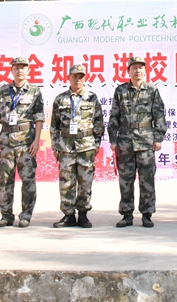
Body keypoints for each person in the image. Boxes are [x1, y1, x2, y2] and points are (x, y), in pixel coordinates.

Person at [107, 56, 166, 228]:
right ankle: (127, 214)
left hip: (146, 141)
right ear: (128, 71)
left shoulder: (152, 90)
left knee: (147, 180)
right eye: (134, 68)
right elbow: (114, 116)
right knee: (125, 180)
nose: (137, 70)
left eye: (140, 67)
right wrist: (113, 139)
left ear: (145, 71)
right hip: (125, 142)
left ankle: (147, 214)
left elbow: (159, 115)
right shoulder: (120, 91)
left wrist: (158, 138)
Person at [0, 56, 44, 228]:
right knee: (5, 180)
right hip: (5, 141)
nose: (19, 70)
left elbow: (39, 118)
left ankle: (26, 215)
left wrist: (36, 141)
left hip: (26, 142)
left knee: (28, 180)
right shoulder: (2, 91)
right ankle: (6, 215)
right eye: (16, 67)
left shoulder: (35, 91)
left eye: (23, 67)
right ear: (11, 70)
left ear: (28, 70)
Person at [49, 63, 104, 229]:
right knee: (66, 182)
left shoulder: (92, 98)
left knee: (85, 181)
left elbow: (99, 123)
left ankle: (83, 215)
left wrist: (96, 144)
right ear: (69, 78)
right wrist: (55, 146)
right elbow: (54, 125)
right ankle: (68, 215)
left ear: (85, 78)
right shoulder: (60, 99)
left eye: (81, 77)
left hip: (86, 146)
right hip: (66, 146)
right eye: (75, 76)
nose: (78, 80)